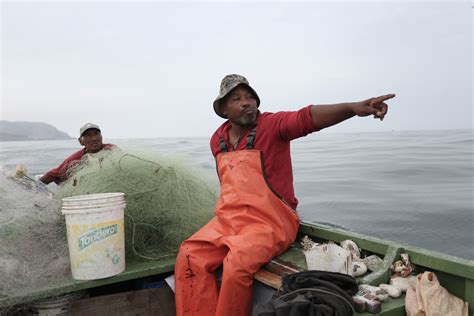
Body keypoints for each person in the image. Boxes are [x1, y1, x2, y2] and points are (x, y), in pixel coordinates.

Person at [174, 74, 395, 316]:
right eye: (237, 98)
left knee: (236, 265)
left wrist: (352, 108)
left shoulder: (272, 126)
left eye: (250, 97)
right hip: (228, 220)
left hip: (271, 223)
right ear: (224, 109)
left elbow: (307, 117)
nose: (246, 102)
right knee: (189, 255)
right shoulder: (217, 140)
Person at [39, 123, 115, 184]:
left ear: (101, 137)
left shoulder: (112, 150)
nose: (94, 138)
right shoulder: (75, 159)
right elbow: (51, 175)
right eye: (88, 136)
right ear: (81, 141)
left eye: (96, 134)